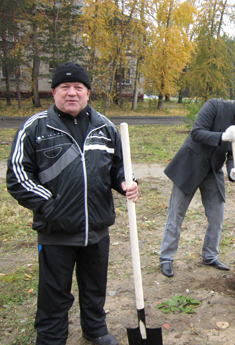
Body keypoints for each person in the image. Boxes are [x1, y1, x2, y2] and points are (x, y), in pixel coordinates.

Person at [6, 62, 138, 345]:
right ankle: (52, 337)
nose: (72, 93)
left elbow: (118, 167)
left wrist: (127, 181)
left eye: (78, 87)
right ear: (53, 92)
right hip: (56, 232)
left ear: (88, 93)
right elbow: (18, 176)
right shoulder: (35, 128)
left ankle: (95, 329)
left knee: (94, 288)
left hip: (98, 229)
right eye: (64, 87)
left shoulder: (105, 127)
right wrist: (50, 205)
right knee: (54, 293)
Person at [159, 89, 235, 277]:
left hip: (213, 171)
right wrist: (222, 137)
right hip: (190, 165)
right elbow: (197, 133)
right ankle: (166, 258)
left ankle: (210, 255)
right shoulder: (215, 106)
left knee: (217, 216)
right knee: (176, 213)